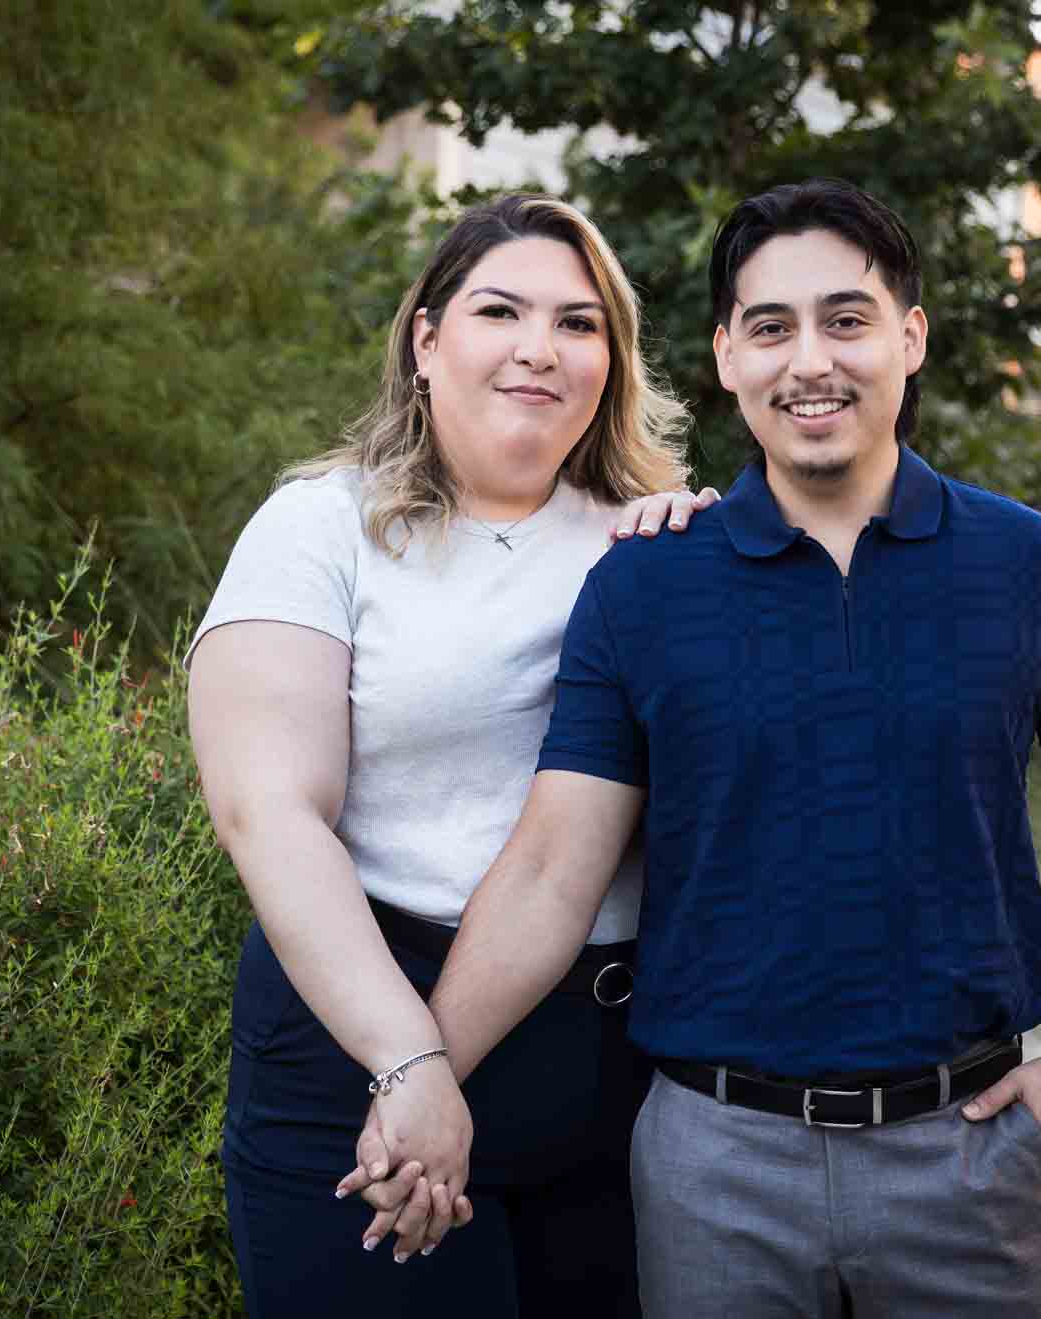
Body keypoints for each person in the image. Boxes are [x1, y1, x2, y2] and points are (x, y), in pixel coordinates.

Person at [343, 178, 1041, 1317]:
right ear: (726, 357)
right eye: (770, 327)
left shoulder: (1035, 568)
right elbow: (553, 866)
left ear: (909, 337)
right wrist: (418, 1072)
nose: (811, 361)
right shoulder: (644, 582)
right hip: (711, 1167)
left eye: (845, 320)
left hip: (968, 1158)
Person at [185, 193, 717, 1317]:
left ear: (609, 360)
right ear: (426, 341)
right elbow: (268, 812)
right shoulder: (321, 525)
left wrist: (714, 573)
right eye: (499, 311)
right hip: (358, 1040)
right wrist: (409, 1062)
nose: (540, 347)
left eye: (579, 323)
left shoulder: (663, 540)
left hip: (614, 1073)